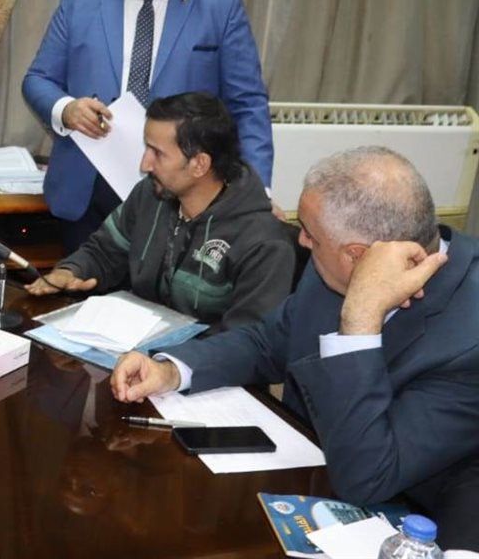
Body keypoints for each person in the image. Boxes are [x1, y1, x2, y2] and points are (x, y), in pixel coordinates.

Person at [109, 147, 479, 550]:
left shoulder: (468, 341)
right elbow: (267, 342)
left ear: (357, 257)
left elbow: (366, 477)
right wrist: (172, 371)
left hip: (407, 525)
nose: (300, 240)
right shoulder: (334, 266)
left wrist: (359, 321)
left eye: (309, 233)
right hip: (300, 482)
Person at [22, 0, 274, 252]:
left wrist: (257, 191)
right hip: (89, 190)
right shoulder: (79, 0)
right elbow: (38, 79)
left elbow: (248, 105)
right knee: (82, 286)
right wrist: (67, 109)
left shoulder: (219, 6)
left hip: (181, 192)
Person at [26, 93, 295, 334]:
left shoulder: (263, 243)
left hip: (198, 367)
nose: (145, 164)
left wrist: (171, 364)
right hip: (134, 347)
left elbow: (247, 341)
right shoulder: (150, 194)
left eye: (157, 153)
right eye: (146, 148)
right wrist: (70, 271)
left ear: (200, 164)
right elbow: (104, 252)